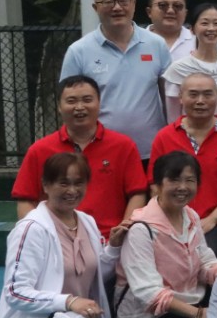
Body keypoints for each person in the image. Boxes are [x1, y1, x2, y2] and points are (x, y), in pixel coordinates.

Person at [0, 152, 134, 318]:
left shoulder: (87, 222)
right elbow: (15, 292)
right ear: (45, 185)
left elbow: (93, 272)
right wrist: (69, 302)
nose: (72, 190)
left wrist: (113, 248)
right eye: (63, 183)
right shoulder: (31, 229)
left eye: (78, 183)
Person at [116, 151, 217, 318]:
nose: (183, 187)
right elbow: (149, 294)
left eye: (190, 180)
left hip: (184, 305)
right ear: (156, 185)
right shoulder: (141, 229)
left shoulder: (191, 216)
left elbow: (205, 262)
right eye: (174, 180)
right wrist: (199, 315)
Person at [12, 76, 146, 240]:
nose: (80, 107)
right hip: (57, 241)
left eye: (87, 100)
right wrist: (41, 236)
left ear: (99, 103)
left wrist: (123, 232)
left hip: (109, 240)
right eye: (71, 101)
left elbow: (137, 194)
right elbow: (26, 199)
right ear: (59, 106)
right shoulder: (39, 150)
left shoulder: (123, 146)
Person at [60, 0, 172, 157]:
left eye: (123, 1)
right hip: (100, 151)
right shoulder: (79, 51)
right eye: (108, 2)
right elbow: (68, 103)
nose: (117, 8)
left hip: (151, 151)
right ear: (95, 8)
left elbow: (169, 97)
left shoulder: (156, 44)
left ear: (133, 4)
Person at [148, 72, 217, 258]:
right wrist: (170, 219)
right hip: (171, 221)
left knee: (204, 257)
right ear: (181, 97)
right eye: (193, 94)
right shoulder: (165, 137)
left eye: (207, 94)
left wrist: (213, 218)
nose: (200, 101)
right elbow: (155, 185)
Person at [162, 3, 217, 122]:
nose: (211, 28)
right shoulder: (178, 69)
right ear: (192, 29)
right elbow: (173, 117)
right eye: (204, 23)